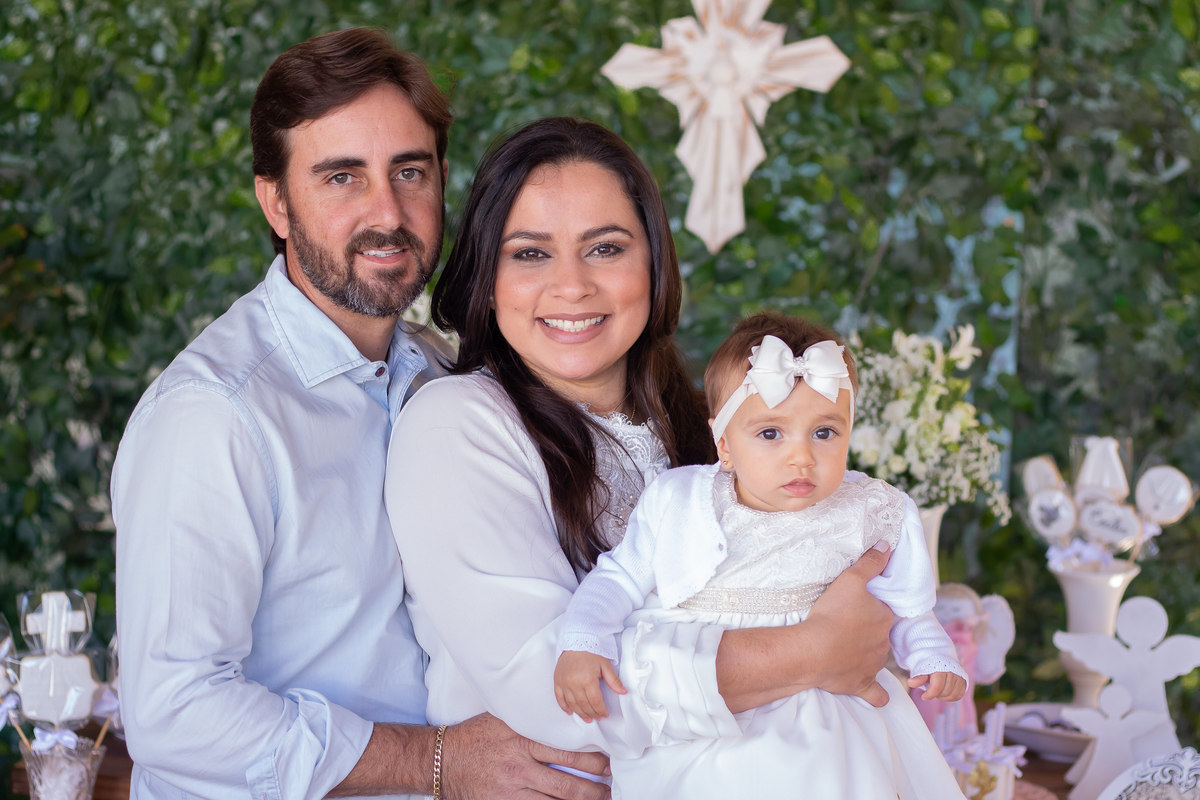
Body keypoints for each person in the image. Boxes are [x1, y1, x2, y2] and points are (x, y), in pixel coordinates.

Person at [111, 29, 608, 800]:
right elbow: (175, 712)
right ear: (275, 201)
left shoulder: (441, 373)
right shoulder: (214, 415)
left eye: (409, 171)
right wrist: (437, 762)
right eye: (342, 177)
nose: (387, 211)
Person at [386, 117, 899, 775]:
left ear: (654, 263)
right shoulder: (456, 426)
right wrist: (809, 653)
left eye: (605, 248)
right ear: (487, 276)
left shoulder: (700, 420)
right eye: (530, 253)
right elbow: (555, 689)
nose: (572, 287)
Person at [552, 311, 969, 798]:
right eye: (771, 433)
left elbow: (908, 607)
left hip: (826, 711)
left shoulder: (872, 511)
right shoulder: (680, 499)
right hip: (708, 709)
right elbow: (618, 578)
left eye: (825, 432)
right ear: (724, 443)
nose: (802, 457)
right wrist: (584, 639)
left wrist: (933, 654)